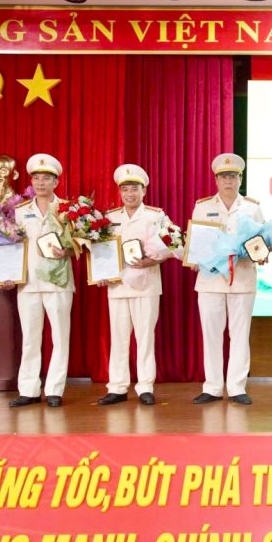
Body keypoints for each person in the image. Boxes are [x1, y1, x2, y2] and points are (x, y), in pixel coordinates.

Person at [191, 153, 264, 406]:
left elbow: (261, 241)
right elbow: (196, 241)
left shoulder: (252, 207)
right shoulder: (203, 206)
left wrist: (259, 253)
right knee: (211, 334)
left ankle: (236, 387)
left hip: (242, 279)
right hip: (210, 281)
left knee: (240, 334)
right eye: (223, 176)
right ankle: (212, 386)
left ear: (240, 178)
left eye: (233, 176)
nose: (228, 180)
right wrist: (194, 257)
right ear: (216, 179)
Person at [97, 164, 172, 406]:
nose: (130, 194)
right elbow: (101, 250)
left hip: (146, 285)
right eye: (125, 189)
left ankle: (145, 386)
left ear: (144, 191)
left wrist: (152, 259)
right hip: (118, 286)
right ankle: (117, 386)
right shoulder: (109, 217)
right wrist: (100, 271)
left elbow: (174, 244)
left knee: (145, 336)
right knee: (118, 337)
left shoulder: (155, 215)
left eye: (135, 189)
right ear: (120, 192)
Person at [8, 154, 75, 408]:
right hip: (28, 282)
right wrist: (9, 275)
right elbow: (11, 247)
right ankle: (29, 389)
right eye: (36, 178)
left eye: (46, 178)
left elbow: (83, 244)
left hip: (59, 280)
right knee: (30, 337)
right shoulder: (20, 211)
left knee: (60, 335)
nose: (40, 183)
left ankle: (55, 389)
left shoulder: (70, 209)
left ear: (56, 182)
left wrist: (68, 251)